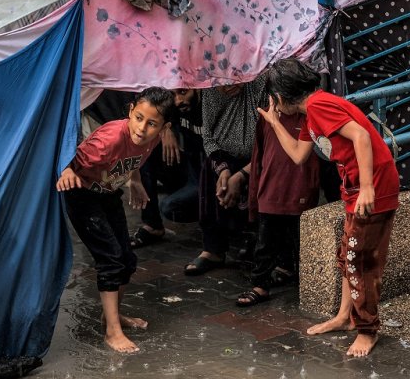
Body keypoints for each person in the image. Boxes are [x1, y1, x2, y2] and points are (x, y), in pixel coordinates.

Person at [256, 57, 400, 357]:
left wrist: (368, 188)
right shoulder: (311, 114)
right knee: (348, 253)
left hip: (371, 188)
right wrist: (273, 122)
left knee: (359, 260)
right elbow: (297, 155)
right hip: (355, 189)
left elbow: (360, 136)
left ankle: (366, 330)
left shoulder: (320, 106)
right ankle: (346, 317)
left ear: (280, 97)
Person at [55, 87, 177, 353]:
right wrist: (65, 171)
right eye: (139, 118)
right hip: (82, 195)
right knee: (110, 259)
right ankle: (112, 332)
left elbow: (135, 157)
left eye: (152, 123)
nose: (142, 128)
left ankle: (111, 317)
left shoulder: (152, 139)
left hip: (108, 193)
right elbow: (67, 156)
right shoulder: (108, 140)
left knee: (127, 260)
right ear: (130, 111)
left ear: (164, 127)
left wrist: (135, 182)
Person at [234, 107, 320, 307]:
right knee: (265, 243)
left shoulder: (309, 117)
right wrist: (256, 193)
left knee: (302, 243)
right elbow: (259, 156)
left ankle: (307, 286)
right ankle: (260, 285)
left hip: (300, 189)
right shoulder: (266, 116)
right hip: (271, 188)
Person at [183, 77, 268, 275]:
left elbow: (271, 140)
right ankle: (213, 249)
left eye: (237, 77)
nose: (230, 85)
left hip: (260, 156)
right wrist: (223, 169)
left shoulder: (261, 83)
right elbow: (209, 137)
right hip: (224, 157)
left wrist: (241, 175)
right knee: (209, 173)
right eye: (224, 79)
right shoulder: (211, 90)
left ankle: (258, 245)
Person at [133, 88, 205, 247]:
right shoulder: (175, 106)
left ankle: (217, 217)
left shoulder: (209, 103)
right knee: (147, 149)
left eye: (183, 92)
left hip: (210, 176)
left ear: (197, 88)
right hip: (188, 171)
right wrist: (166, 131)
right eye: (173, 95)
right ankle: (152, 225)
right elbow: (153, 114)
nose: (178, 100)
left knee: (170, 207)